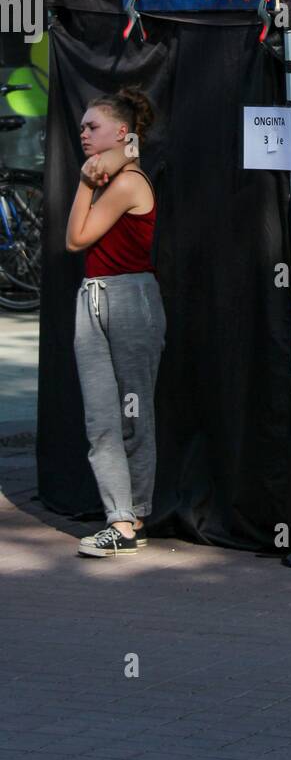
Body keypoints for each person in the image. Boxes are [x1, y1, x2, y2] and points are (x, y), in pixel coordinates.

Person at [65, 86, 166, 558]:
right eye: (83, 126)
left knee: (132, 412)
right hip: (93, 297)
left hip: (129, 297)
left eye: (93, 126)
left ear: (121, 132)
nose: (84, 133)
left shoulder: (127, 182)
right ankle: (119, 520)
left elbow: (77, 238)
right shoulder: (110, 177)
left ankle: (135, 517)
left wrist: (86, 184)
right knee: (100, 419)